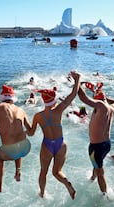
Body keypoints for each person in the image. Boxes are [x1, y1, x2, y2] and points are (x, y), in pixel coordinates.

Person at [26, 71, 80, 200]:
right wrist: (78, 80)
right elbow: (72, 95)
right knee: (57, 172)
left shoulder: (38, 116)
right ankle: (67, 183)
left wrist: (23, 126)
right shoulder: (58, 111)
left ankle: (42, 193)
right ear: (54, 101)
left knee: (43, 172)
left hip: (47, 145)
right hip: (61, 144)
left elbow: (31, 133)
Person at [77, 76, 114, 197]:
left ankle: (105, 196)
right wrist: (99, 94)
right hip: (106, 144)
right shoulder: (111, 108)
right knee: (97, 165)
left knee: (100, 171)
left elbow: (83, 98)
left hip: (96, 146)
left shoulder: (100, 106)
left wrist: (77, 82)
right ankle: (92, 178)